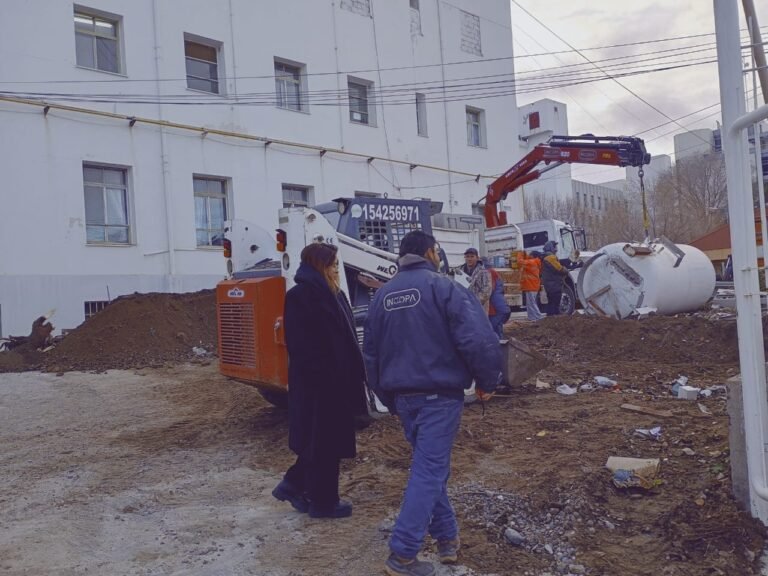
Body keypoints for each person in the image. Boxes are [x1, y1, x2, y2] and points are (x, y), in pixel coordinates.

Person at [363, 230, 503, 576]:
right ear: (429, 252)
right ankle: (403, 554)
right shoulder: (445, 288)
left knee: (431, 469)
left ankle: (447, 541)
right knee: (429, 470)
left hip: (404, 399)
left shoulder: (383, 296)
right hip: (439, 397)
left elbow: (370, 355)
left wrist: (386, 397)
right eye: (437, 252)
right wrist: (488, 382)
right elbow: (477, 338)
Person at [272, 242, 368, 519]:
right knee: (324, 444)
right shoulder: (301, 296)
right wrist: (328, 378)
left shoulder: (334, 294)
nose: (337, 269)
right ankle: (323, 503)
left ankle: (296, 486)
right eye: (333, 264)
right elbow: (302, 347)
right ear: (319, 265)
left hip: (337, 384)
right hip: (320, 387)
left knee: (324, 443)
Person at [540, 240, 569, 316]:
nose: (556, 249)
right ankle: (555, 320)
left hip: (549, 285)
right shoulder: (551, 258)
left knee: (551, 303)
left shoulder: (545, 257)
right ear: (551, 248)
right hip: (554, 285)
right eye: (554, 246)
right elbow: (559, 268)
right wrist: (566, 270)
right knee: (555, 303)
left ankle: (550, 320)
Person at [459, 247, 492, 313]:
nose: (469, 259)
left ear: (477, 258)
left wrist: (474, 301)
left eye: (472, 256)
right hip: (464, 307)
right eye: (467, 256)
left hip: (479, 307)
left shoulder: (483, 272)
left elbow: (487, 290)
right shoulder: (460, 272)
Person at [517, 250, 544, 321]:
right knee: (530, 303)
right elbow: (526, 260)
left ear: (533, 256)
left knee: (531, 303)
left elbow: (520, 262)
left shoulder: (532, 262)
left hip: (531, 285)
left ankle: (539, 316)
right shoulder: (535, 262)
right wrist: (525, 255)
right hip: (532, 285)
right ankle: (532, 318)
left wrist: (520, 254)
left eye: (530, 255)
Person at [487, 267, 511, 337]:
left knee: (493, 330)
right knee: (496, 329)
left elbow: (490, 291)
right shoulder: (490, 272)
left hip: (495, 310)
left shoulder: (488, 272)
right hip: (496, 309)